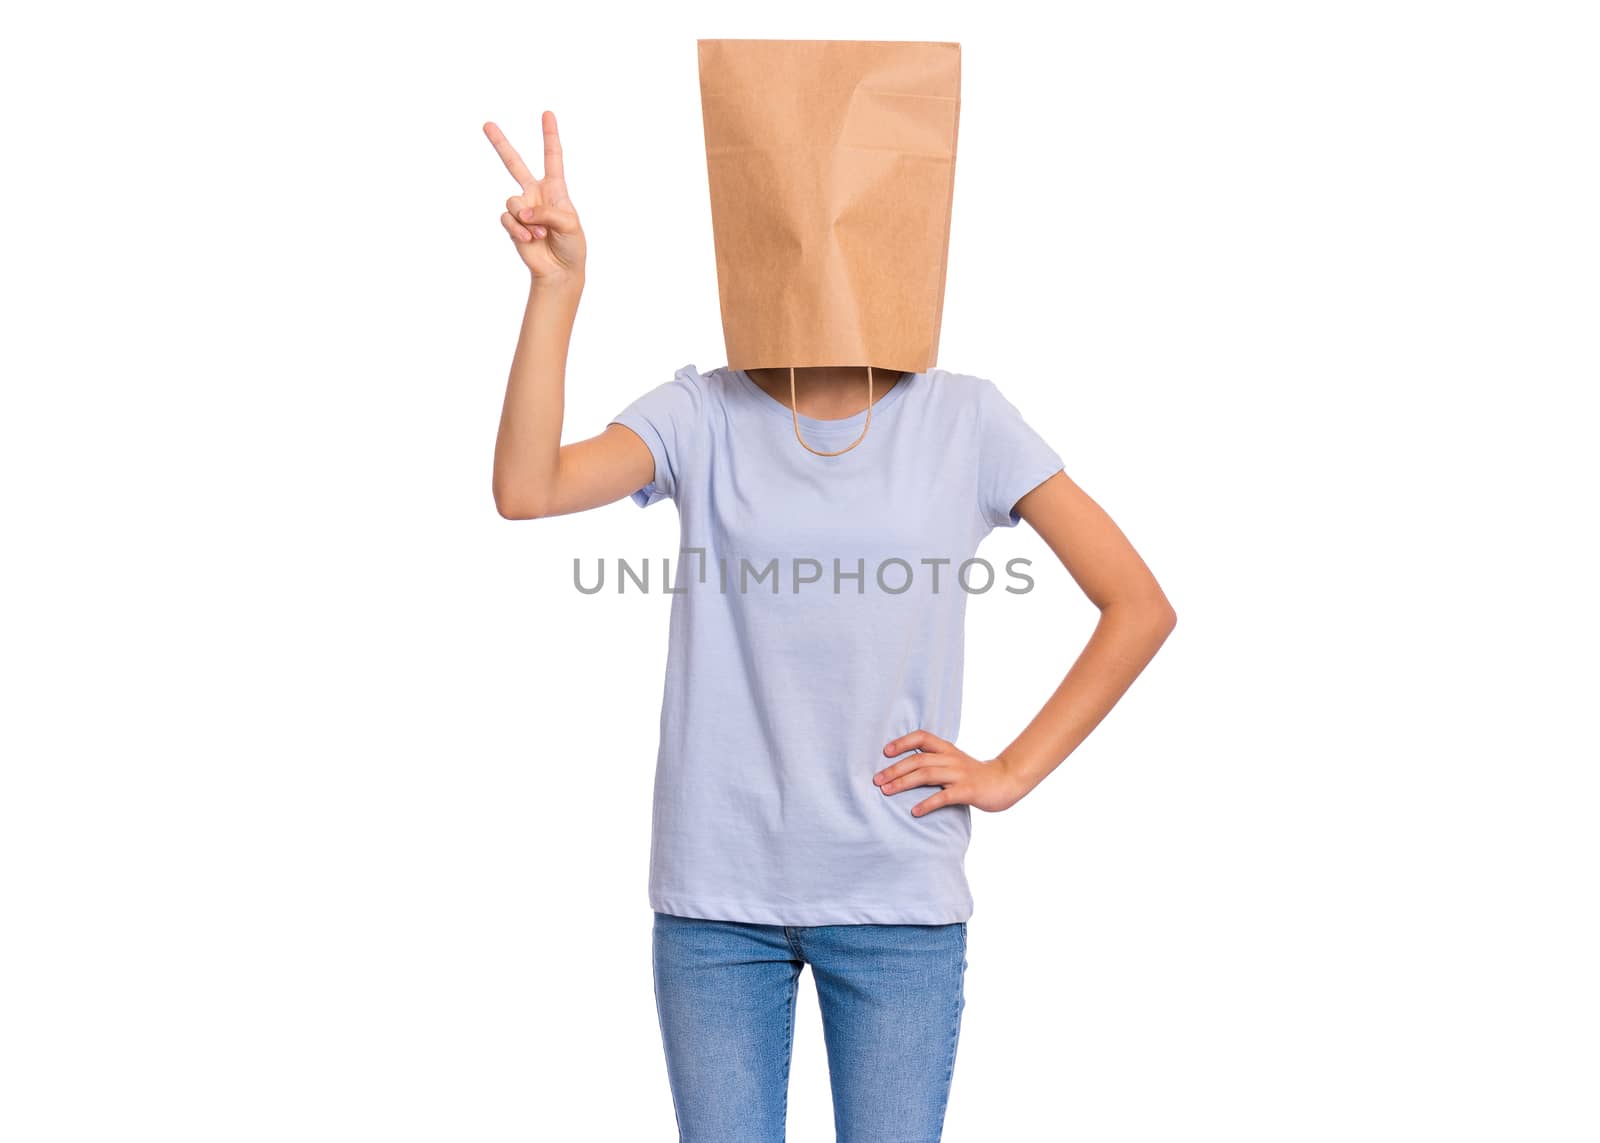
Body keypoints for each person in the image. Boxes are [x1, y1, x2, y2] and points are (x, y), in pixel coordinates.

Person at [484, 112, 1177, 1143]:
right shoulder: (700, 414)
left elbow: (1138, 604)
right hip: (716, 899)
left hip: (895, 894)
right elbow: (526, 490)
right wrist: (556, 290)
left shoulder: (966, 420)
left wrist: (1011, 772)